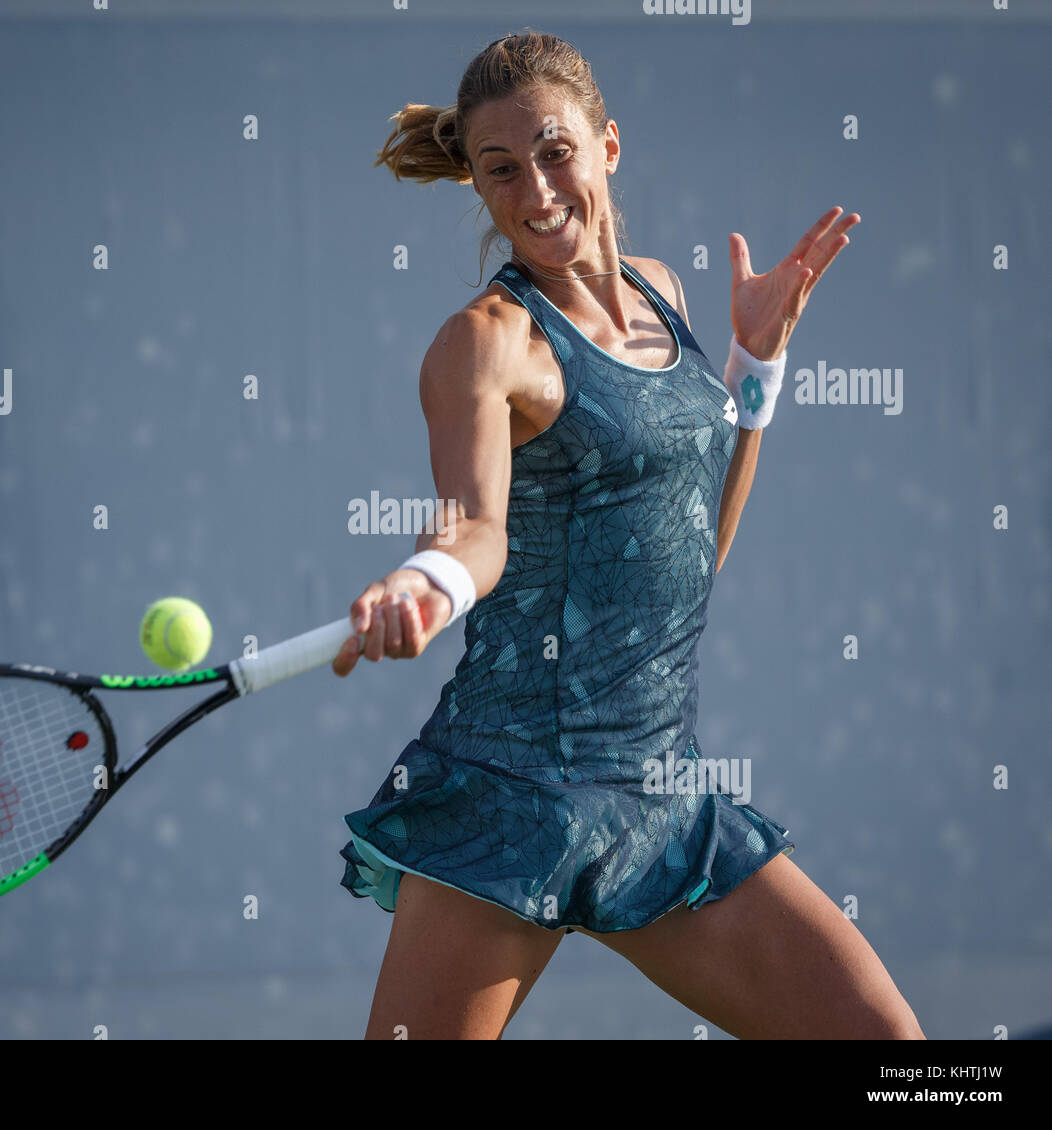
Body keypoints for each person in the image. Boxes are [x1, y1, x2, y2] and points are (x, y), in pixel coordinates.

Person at [331, 29, 923, 1042]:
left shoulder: (662, 292)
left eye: (555, 151)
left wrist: (754, 367)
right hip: (511, 788)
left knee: (888, 1049)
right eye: (500, 169)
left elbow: (699, 551)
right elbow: (476, 525)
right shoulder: (484, 342)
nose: (536, 189)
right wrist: (427, 579)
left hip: (656, 790)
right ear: (476, 186)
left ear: (608, 145)